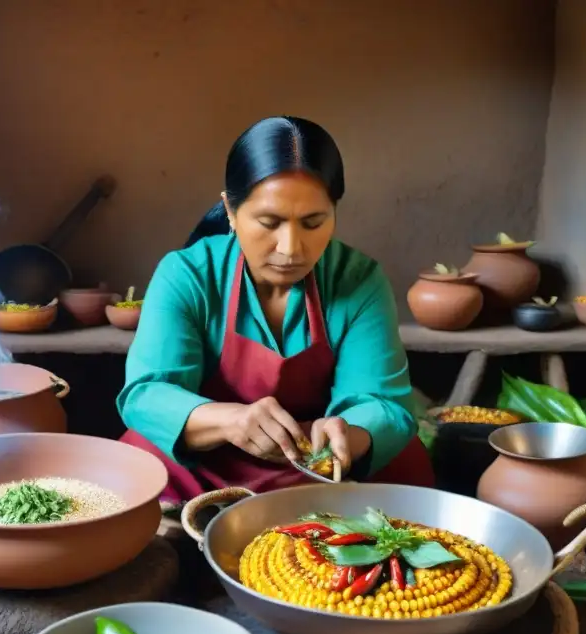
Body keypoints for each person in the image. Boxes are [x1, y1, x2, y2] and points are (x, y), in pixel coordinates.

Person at [117, 116, 434, 504]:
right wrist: (231, 420)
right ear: (230, 212)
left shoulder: (358, 280)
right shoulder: (187, 275)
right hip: (204, 464)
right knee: (137, 468)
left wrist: (350, 432)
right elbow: (147, 393)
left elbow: (383, 402)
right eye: (269, 222)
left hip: (321, 468)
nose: (290, 248)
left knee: (403, 458)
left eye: (313, 222)